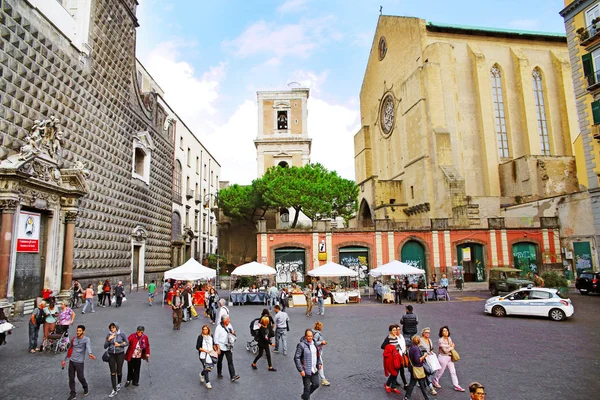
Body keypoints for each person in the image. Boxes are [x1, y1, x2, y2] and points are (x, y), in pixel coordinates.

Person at [62, 325, 96, 400]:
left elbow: (88, 347)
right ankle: (73, 393)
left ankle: (85, 386)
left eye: (80, 331)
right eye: (77, 330)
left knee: (80, 377)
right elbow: (69, 349)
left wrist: (90, 353)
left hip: (79, 362)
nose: (78, 332)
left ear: (83, 331)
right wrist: (64, 359)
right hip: (72, 361)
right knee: (71, 378)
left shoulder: (86, 339)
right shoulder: (74, 339)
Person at [433, 325, 465, 392]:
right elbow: (445, 350)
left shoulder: (449, 338)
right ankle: (435, 380)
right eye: (444, 331)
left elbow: (449, 347)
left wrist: (449, 347)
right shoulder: (440, 340)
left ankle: (456, 385)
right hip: (443, 357)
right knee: (440, 371)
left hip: (449, 357)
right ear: (441, 333)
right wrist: (451, 347)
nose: (446, 332)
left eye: (446, 330)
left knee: (453, 372)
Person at [294, 328, 322, 400]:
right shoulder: (301, 345)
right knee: (306, 388)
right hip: (306, 370)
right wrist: (301, 370)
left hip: (314, 369)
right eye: (308, 336)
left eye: (311, 336)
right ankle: (306, 396)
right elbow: (296, 358)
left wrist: (319, 363)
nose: (310, 338)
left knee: (316, 384)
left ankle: (304, 396)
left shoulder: (314, 343)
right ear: (305, 336)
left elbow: (317, 355)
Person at [404, 335, 433, 400]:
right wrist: (424, 356)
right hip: (418, 368)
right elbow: (418, 360)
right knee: (422, 384)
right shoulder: (416, 349)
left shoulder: (411, 348)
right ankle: (427, 398)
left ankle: (407, 397)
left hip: (413, 368)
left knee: (413, 383)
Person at [104, 322, 128, 397]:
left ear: (116, 327)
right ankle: (114, 390)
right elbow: (105, 346)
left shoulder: (122, 334)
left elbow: (127, 343)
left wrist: (120, 345)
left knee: (119, 371)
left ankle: (119, 383)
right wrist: (109, 339)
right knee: (113, 372)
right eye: (111, 328)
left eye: (113, 327)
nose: (112, 329)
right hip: (111, 355)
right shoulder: (108, 335)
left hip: (120, 354)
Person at [214, 316, 240, 382]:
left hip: (228, 346)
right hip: (221, 347)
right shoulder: (218, 328)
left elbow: (232, 332)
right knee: (220, 361)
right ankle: (219, 373)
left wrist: (233, 333)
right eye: (228, 320)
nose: (229, 321)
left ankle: (233, 376)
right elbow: (216, 339)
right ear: (224, 321)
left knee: (230, 361)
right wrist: (218, 348)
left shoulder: (229, 325)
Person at [381, 324, 404, 394]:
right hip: (391, 357)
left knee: (396, 371)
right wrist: (391, 349)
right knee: (394, 372)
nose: (395, 331)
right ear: (390, 331)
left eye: (395, 330)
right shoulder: (388, 338)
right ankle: (388, 385)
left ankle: (393, 386)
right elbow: (383, 346)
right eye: (393, 330)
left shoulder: (396, 337)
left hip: (397, 356)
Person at [419, 327, 438, 396]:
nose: (428, 334)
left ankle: (421, 381)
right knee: (428, 372)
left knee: (432, 370)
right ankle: (431, 388)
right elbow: (418, 349)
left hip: (429, 358)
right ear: (423, 333)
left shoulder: (429, 340)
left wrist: (431, 352)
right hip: (423, 359)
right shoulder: (420, 340)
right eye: (426, 332)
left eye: (429, 332)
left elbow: (431, 349)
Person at [197, 324, 216, 389]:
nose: (204, 331)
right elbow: (198, 347)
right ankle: (208, 382)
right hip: (203, 355)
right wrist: (204, 350)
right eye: (203, 329)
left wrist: (215, 350)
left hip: (210, 355)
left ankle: (202, 374)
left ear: (208, 330)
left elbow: (213, 344)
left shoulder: (211, 336)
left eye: (206, 329)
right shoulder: (200, 337)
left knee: (208, 368)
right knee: (206, 368)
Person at [312, 321, 330, 386]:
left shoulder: (313, 332)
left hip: (316, 352)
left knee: (317, 365)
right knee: (320, 365)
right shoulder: (317, 334)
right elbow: (314, 342)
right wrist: (322, 342)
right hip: (316, 352)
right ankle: (323, 379)